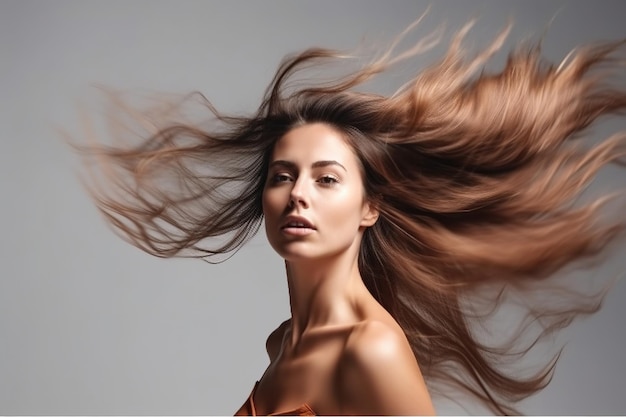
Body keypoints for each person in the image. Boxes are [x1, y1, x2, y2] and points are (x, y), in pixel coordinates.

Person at [78, 19, 626, 415]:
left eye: (327, 178)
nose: (298, 195)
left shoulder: (371, 350)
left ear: (370, 207)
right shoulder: (283, 342)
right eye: (282, 175)